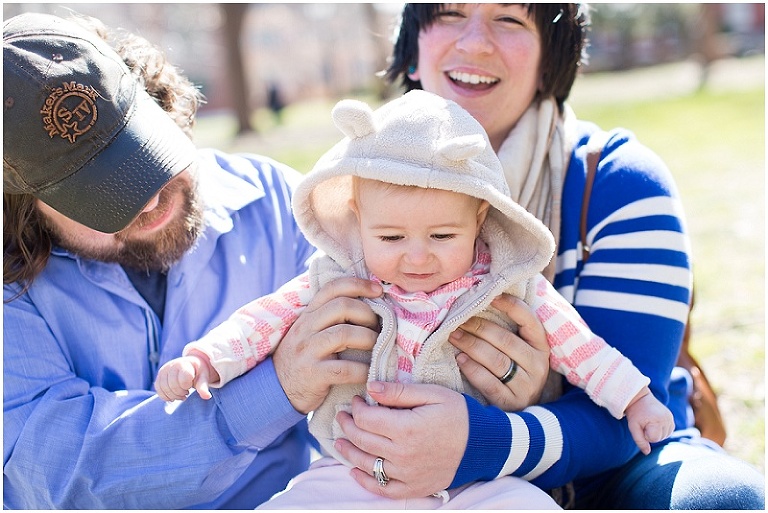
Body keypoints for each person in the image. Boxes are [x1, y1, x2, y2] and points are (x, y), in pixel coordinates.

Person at [314, 3, 763, 509]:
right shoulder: (353, 194)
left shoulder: (618, 182)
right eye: (449, 14)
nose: (475, 42)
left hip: (620, 472)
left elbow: (637, 410)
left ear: (552, 56)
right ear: (413, 49)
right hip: (419, 482)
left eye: (510, 19)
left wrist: (484, 438)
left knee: (721, 499)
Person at [154, 90, 673, 508]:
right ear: (358, 219)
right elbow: (262, 321)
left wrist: (634, 397)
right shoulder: (337, 278)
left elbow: (581, 349)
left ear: (479, 219)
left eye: (443, 237)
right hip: (354, 471)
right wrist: (207, 360)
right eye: (391, 238)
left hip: (480, 476)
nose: (417, 258)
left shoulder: (509, 284)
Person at [3, 12, 371, 509]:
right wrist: (276, 389)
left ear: (160, 104)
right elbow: (63, 472)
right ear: (24, 208)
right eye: (101, 195)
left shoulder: (282, 207)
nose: (149, 202)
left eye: (141, 155)